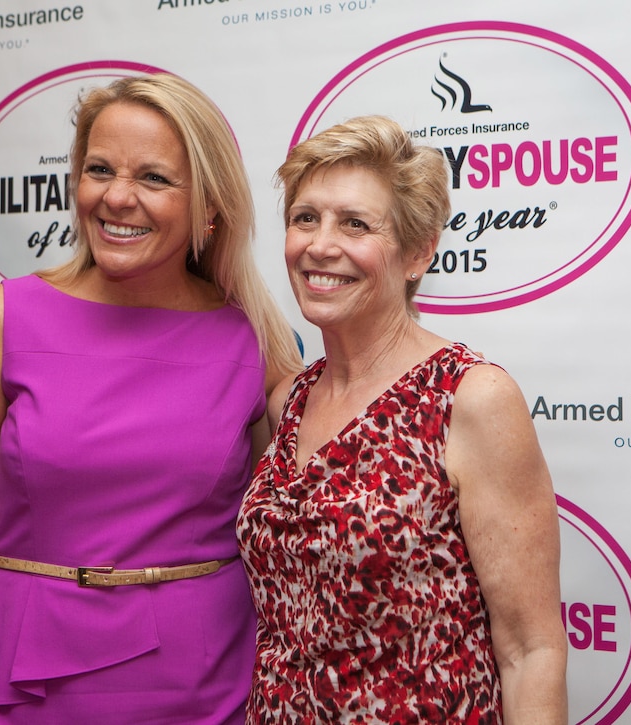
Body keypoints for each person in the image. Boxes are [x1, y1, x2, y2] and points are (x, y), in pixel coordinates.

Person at [0, 73, 303, 725]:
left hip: (208, 690)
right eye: (99, 169)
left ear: (210, 208)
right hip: (28, 691)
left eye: (152, 178)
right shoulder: (0, 320)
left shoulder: (254, 339)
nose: (117, 197)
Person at [237, 116, 567, 724]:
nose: (319, 244)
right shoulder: (288, 400)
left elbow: (532, 649)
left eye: (355, 224)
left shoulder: (470, 397)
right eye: (305, 217)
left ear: (418, 253)